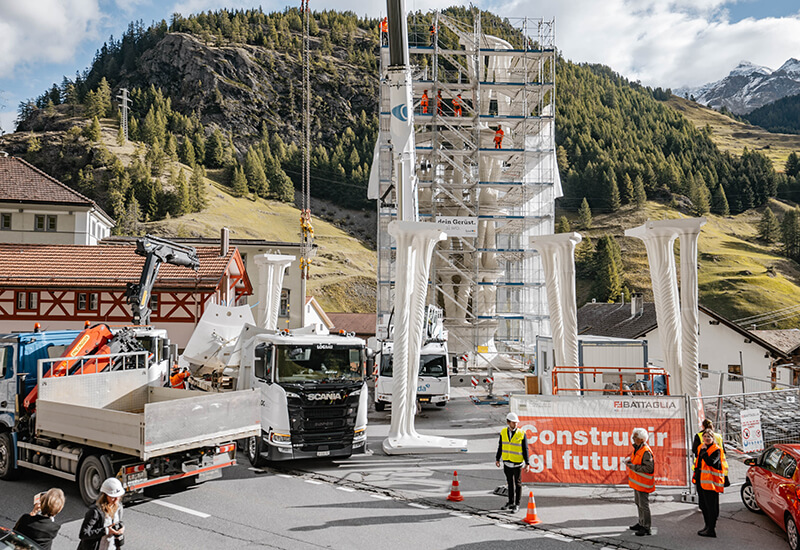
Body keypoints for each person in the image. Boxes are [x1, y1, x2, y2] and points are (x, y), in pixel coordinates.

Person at [494, 412, 532, 513]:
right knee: (510, 483)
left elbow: (525, 449)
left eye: (516, 423)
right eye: (513, 422)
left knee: (518, 484)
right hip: (507, 463)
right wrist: (497, 458)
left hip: (517, 463)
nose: (515, 424)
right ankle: (510, 502)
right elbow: (501, 446)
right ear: (508, 422)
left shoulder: (521, 433)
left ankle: (517, 504)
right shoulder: (503, 432)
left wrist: (527, 463)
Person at [79, 477, 126, 550]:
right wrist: (106, 530)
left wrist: (121, 527)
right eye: (113, 497)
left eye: (118, 496)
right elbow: (84, 534)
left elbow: (117, 521)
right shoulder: (95, 512)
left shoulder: (119, 507)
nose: (116, 500)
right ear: (105, 496)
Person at [625, 427, 654, 536]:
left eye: (635, 437)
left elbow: (649, 468)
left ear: (641, 439)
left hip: (643, 483)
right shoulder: (638, 448)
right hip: (637, 482)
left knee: (643, 505)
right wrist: (631, 462)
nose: (633, 438)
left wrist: (634, 467)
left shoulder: (646, 451)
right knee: (639, 503)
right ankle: (641, 523)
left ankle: (646, 527)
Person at [694, 429, 724, 537]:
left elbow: (710, 462)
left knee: (710, 507)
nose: (706, 438)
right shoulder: (701, 447)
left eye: (709, 437)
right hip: (701, 481)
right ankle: (707, 526)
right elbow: (698, 462)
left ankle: (711, 529)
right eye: (705, 436)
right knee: (703, 505)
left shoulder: (716, 449)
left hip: (711, 483)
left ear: (713, 438)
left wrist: (703, 452)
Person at [692, 419, 728, 484]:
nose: (706, 438)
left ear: (702, 426)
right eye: (705, 437)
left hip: (703, 465)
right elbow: (723, 450)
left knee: (703, 487)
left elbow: (695, 450)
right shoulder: (718, 436)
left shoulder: (699, 435)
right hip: (718, 465)